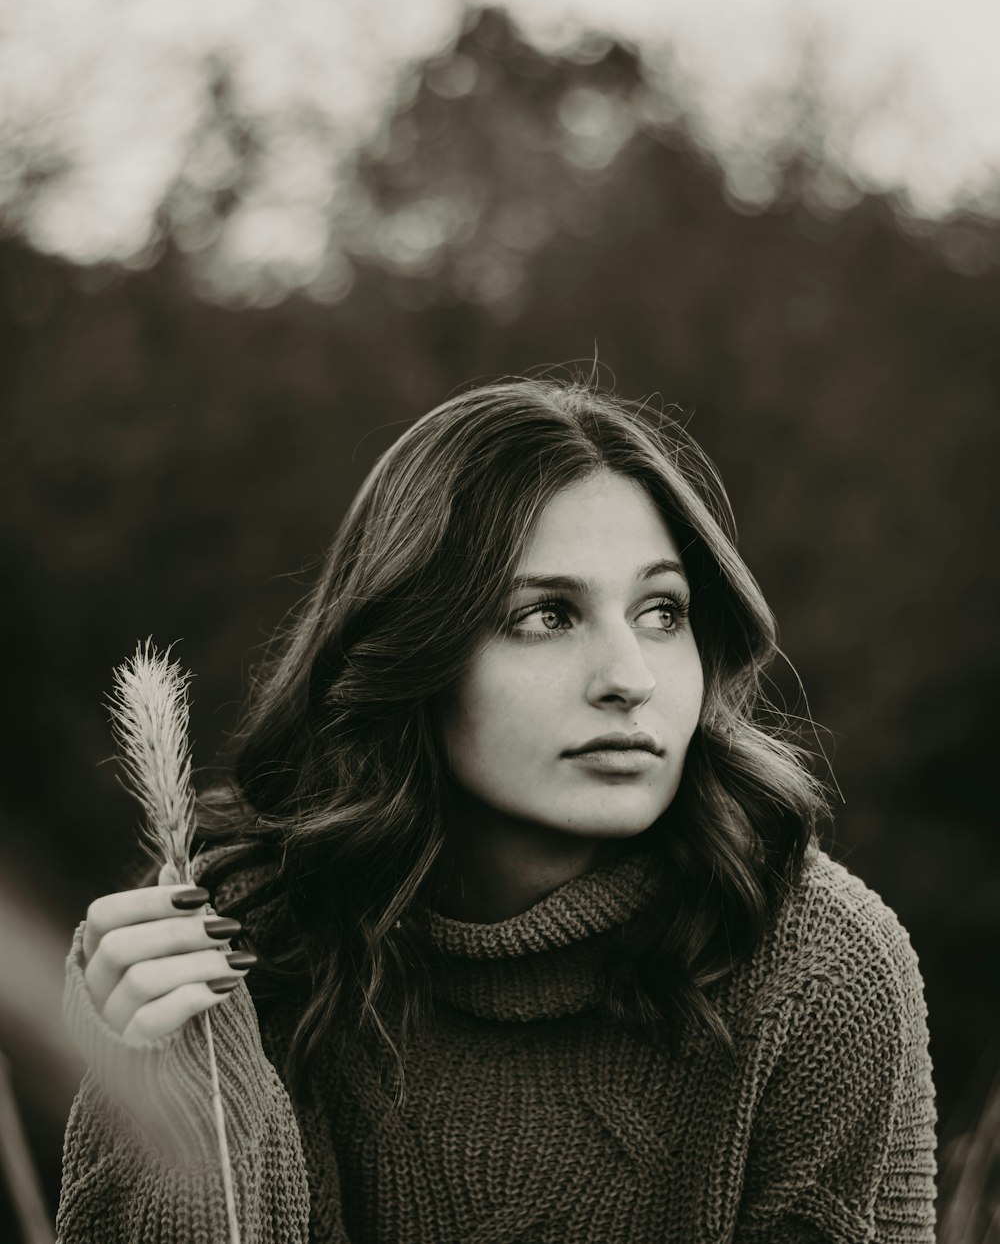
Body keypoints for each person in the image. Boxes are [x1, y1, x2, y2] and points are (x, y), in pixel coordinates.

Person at [56, 376, 938, 1243]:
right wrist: (157, 1099)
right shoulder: (227, 951)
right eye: (547, 615)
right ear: (412, 653)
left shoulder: (817, 972)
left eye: (662, 611)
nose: (630, 677)